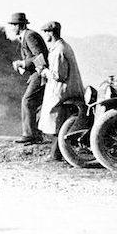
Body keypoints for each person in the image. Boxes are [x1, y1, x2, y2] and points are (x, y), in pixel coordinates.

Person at [37, 21, 84, 161]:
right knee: (58, 123)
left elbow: (59, 75)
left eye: (45, 32)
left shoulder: (59, 50)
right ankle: (56, 153)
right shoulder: (61, 47)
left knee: (56, 121)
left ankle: (56, 154)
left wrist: (44, 71)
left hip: (63, 91)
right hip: (66, 88)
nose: (44, 35)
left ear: (51, 33)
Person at [9, 13, 49, 144]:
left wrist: (22, 63)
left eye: (13, 25)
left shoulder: (30, 36)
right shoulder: (26, 36)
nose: (12, 28)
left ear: (19, 25)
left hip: (39, 74)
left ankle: (30, 135)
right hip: (36, 74)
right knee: (33, 103)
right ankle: (35, 134)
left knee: (27, 101)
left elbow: (40, 57)